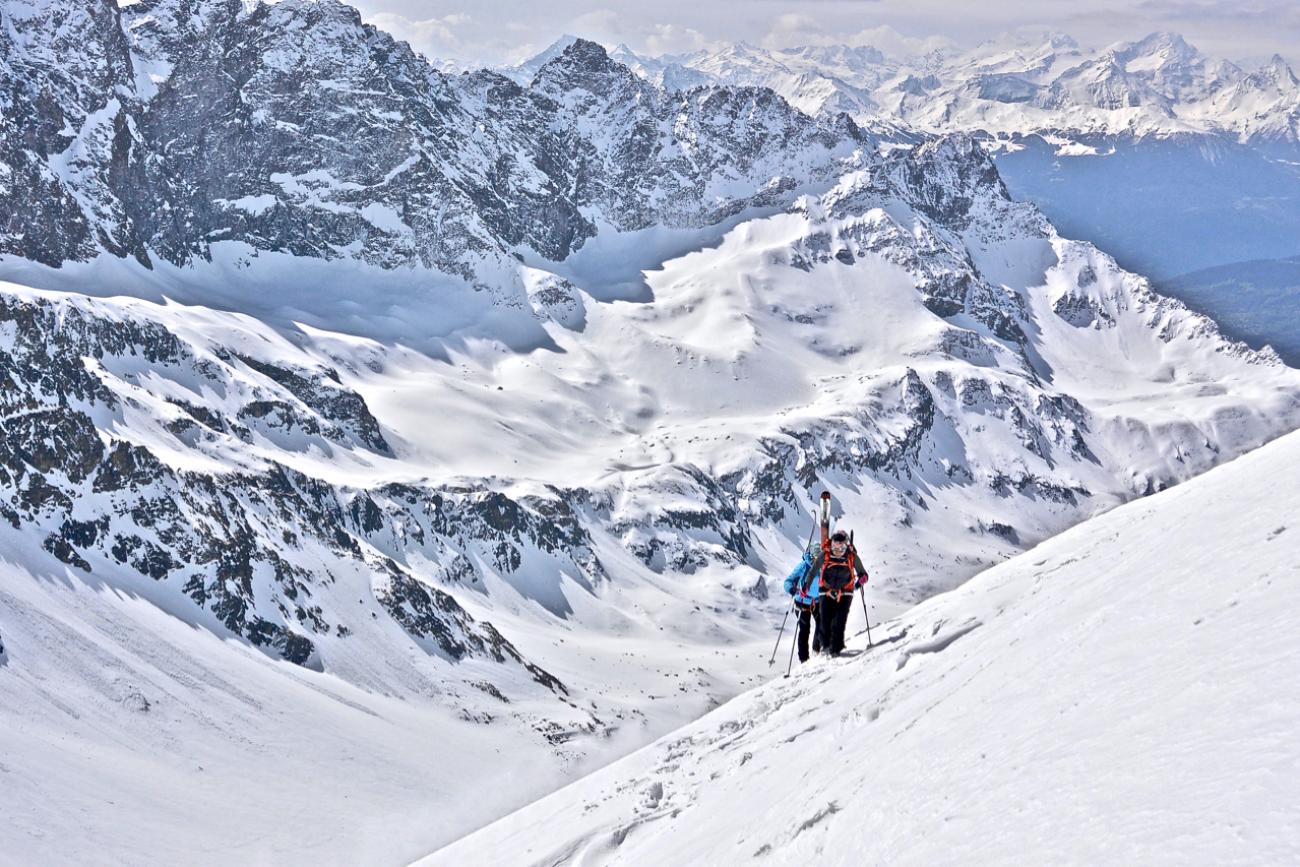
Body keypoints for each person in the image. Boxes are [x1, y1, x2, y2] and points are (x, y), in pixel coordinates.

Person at [812, 529, 868, 656]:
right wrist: (859, 583)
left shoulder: (850, 555)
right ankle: (828, 646)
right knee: (831, 619)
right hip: (837, 591)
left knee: (832, 619)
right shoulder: (843, 554)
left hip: (839, 591)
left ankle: (828, 647)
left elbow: (860, 570)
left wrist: (860, 580)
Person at [782, 548, 821, 663]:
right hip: (802, 602)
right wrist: (792, 590)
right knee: (805, 629)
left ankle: (817, 650)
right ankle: (804, 659)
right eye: (816, 558)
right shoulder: (803, 566)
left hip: (817, 601)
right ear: (812, 556)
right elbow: (788, 581)